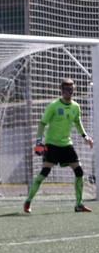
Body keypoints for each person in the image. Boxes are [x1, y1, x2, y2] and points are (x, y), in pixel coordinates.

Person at [24, 78, 94, 214]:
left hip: (67, 144)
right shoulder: (53, 106)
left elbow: (78, 123)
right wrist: (39, 141)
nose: (69, 91)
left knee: (79, 172)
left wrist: (85, 137)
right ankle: (28, 201)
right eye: (67, 89)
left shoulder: (76, 107)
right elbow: (42, 123)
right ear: (61, 91)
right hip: (52, 144)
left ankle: (79, 204)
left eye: (72, 89)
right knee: (44, 173)